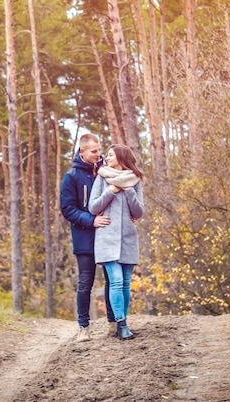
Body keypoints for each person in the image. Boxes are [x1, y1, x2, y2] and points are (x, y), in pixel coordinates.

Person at [60, 133, 115, 342]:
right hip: (85, 239)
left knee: (112, 279)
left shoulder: (107, 172)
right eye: (94, 151)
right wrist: (91, 220)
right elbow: (67, 209)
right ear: (82, 151)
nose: (98, 154)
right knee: (86, 282)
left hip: (109, 236)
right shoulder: (72, 177)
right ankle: (83, 328)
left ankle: (113, 323)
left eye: (99, 150)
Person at [88, 143, 144, 340]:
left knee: (126, 283)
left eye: (111, 155)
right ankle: (121, 324)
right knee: (116, 281)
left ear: (121, 158)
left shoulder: (135, 180)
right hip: (106, 238)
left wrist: (128, 190)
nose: (107, 158)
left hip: (128, 238)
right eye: (107, 155)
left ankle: (124, 321)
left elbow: (139, 212)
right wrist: (111, 190)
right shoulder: (102, 178)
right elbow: (93, 207)